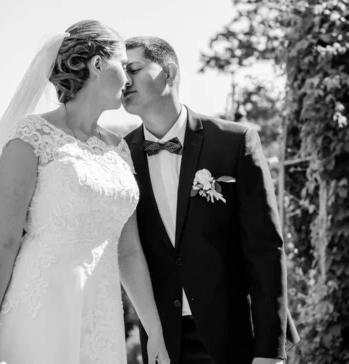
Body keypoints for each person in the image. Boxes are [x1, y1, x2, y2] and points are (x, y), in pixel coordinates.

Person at [0, 21, 170, 364]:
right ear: (97, 65)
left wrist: (155, 331)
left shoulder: (119, 149)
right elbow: (3, 242)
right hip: (40, 308)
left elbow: (128, 251)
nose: (128, 78)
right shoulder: (31, 138)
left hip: (102, 314)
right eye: (122, 66)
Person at [122, 36, 300, 364]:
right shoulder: (118, 156)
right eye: (119, 71)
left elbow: (265, 249)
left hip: (235, 336)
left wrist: (270, 351)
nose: (124, 80)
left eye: (132, 68)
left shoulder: (234, 142)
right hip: (162, 342)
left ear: (169, 73)